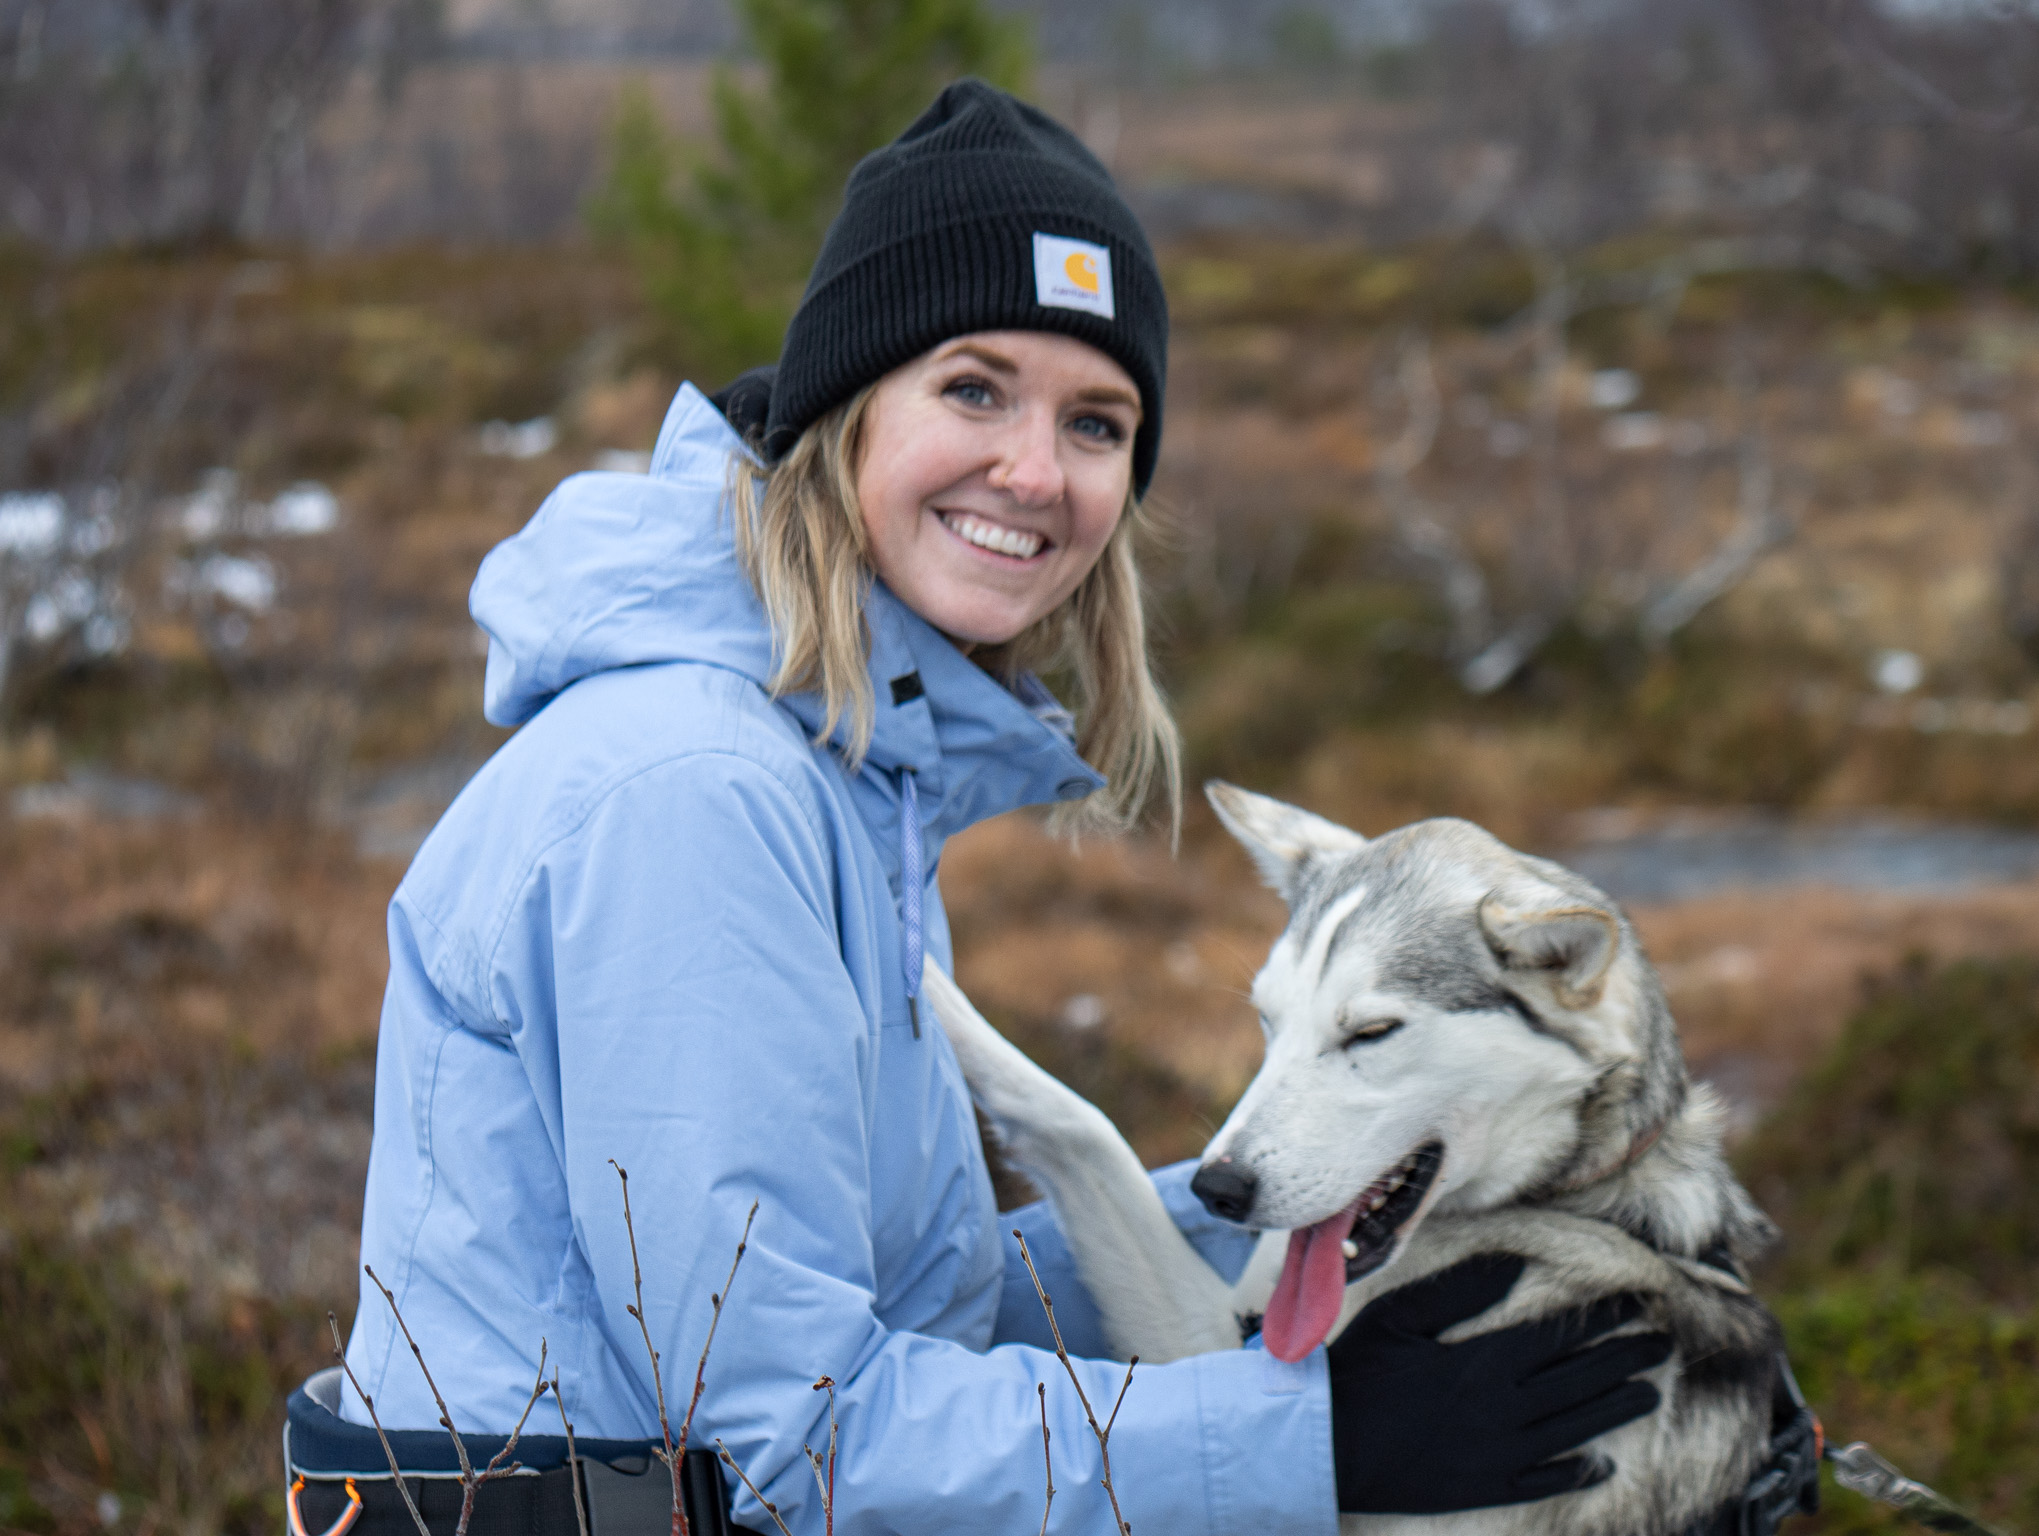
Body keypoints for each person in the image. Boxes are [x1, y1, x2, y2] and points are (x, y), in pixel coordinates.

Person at [311, 80, 1668, 1536]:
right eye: (973, 388)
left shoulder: (841, 770)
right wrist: (1314, 1441)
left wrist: (1373, 1206)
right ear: (847, 404)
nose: (1035, 470)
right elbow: (792, 1436)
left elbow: (917, 1301)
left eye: (1097, 421)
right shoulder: (694, 797)